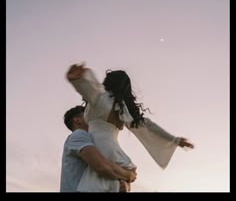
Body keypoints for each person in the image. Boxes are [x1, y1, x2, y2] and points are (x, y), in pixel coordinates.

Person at [66, 63, 194, 192]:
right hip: (112, 148)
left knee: (97, 182)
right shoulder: (124, 110)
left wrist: (79, 78)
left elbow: (91, 87)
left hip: (98, 145)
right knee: (116, 180)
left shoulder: (101, 97)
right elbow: (149, 126)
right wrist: (175, 140)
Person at [60, 105, 136, 192]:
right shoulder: (78, 134)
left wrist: (125, 185)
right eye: (87, 115)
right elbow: (102, 166)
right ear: (77, 120)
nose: (92, 117)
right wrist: (129, 175)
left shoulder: (92, 139)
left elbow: (112, 170)